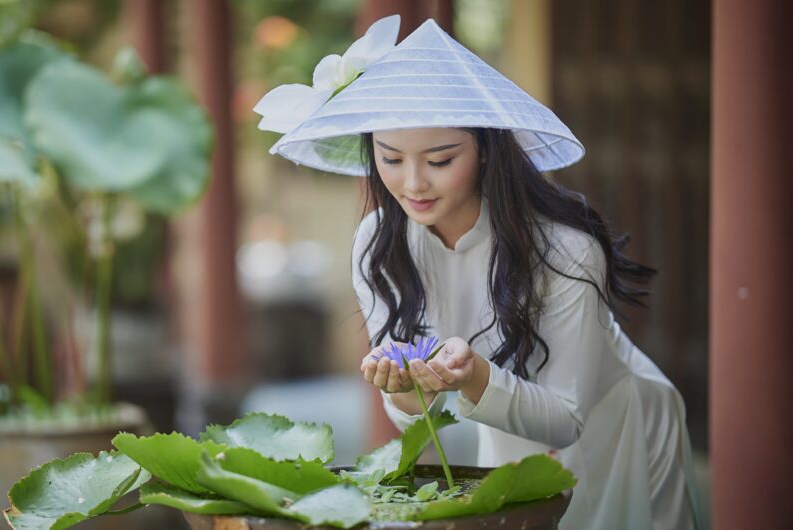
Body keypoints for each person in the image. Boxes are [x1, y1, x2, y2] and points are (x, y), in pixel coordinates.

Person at [254, 15, 703, 530]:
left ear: (486, 151)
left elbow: (566, 418)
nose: (413, 183)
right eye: (391, 158)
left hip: (616, 427)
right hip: (506, 427)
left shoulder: (565, 249)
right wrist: (402, 386)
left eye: (441, 160)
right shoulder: (378, 243)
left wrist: (475, 376)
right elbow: (410, 409)